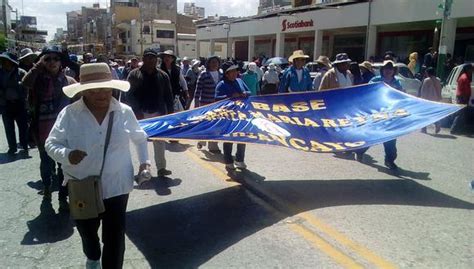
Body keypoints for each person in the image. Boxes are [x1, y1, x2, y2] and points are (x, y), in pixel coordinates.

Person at [45, 62, 150, 269]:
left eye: (105, 88)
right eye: (94, 90)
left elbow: (139, 137)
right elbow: (51, 143)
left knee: (115, 237)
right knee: (88, 232)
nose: (101, 94)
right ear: (83, 91)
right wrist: (67, 155)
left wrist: (144, 163)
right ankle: (93, 257)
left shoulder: (124, 111)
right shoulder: (69, 114)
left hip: (117, 186)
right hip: (82, 185)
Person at [22, 46, 76, 205]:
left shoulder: (69, 81)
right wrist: (37, 66)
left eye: (55, 58)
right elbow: (25, 83)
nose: (52, 62)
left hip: (65, 131)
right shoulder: (37, 80)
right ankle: (46, 188)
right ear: (42, 62)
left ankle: (63, 197)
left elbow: (78, 103)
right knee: (46, 163)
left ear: (61, 62)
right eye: (47, 59)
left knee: (64, 165)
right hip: (43, 130)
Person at [127, 48, 174, 177]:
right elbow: (129, 95)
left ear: (156, 60)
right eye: (147, 57)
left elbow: (168, 96)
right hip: (141, 114)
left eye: (153, 58)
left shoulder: (163, 75)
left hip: (159, 114)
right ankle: (144, 169)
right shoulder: (134, 75)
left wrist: (170, 115)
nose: (150, 60)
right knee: (141, 142)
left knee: (159, 142)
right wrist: (136, 112)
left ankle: (161, 168)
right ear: (143, 59)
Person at [366, 60, 404, 170]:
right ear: (382, 70)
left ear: (394, 71)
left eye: (391, 69)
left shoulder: (397, 83)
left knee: (390, 138)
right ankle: (359, 151)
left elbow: (401, 97)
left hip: (391, 115)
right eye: (386, 68)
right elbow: (366, 94)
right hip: (376, 114)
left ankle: (390, 160)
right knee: (370, 136)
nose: (388, 71)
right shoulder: (375, 80)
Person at [215, 61, 250, 170]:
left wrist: (246, 94)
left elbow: (249, 91)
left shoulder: (239, 81)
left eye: (236, 71)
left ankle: (240, 160)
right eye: (232, 71)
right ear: (226, 74)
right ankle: (228, 161)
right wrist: (230, 96)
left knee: (242, 138)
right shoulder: (221, 84)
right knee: (229, 139)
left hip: (241, 114)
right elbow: (216, 98)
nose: (235, 73)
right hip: (228, 116)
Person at [0, 52, 29, 155]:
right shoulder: (0, 73)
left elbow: (28, 87)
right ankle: (12, 147)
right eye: (2, 61)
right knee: (8, 128)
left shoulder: (21, 73)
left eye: (6, 61)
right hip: (5, 104)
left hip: (19, 104)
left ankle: (24, 145)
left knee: (23, 127)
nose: (4, 63)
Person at [194, 56, 222, 153]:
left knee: (215, 125)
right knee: (205, 124)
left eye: (216, 62)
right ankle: (201, 141)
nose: (215, 64)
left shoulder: (220, 74)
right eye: (213, 62)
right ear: (208, 63)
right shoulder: (203, 74)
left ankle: (213, 145)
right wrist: (196, 106)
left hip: (217, 104)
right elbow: (198, 91)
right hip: (205, 104)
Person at [450, 64, 473, 134]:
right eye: (471, 69)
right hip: (463, 97)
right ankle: (453, 129)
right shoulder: (465, 78)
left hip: (461, 97)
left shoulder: (463, 76)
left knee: (461, 114)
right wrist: (466, 98)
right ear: (468, 69)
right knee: (460, 114)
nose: (472, 71)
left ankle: (458, 129)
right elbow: (465, 90)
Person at [419, 67, 442, 134]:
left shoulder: (426, 80)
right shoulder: (438, 80)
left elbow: (423, 91)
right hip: (436, 100)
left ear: (428, 73)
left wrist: (422, 99)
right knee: (433, 114)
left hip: (427, 100)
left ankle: (424, 128)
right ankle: (437, 124)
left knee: (425, 114)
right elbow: (439, 90)